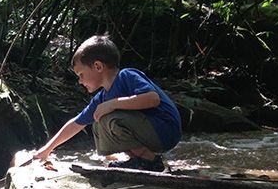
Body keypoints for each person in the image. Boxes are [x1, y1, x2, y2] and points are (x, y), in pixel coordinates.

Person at [33, 35, 181, 171]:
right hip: (151, 133)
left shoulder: (126, 76)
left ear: (98, 66)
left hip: (165, 129)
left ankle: (150, 161)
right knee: (98, 121)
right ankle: (139, 160)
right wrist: (47, 150)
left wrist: (113, 104)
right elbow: (77, 123)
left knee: (108, 118)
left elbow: (152, 99)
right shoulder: (102, 97)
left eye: (81, 74)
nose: (79, 81)